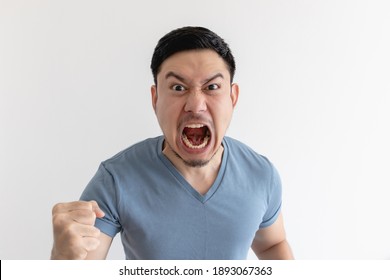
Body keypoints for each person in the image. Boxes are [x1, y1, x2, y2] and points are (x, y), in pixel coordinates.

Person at [51, 26, 294, 260]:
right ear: (155, 99)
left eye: (212, 87)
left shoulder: (262, 175)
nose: (196, 105)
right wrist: (63, 258)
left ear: (233, 97)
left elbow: (273, 244)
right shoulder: (115, 180)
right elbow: (83, 260)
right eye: (178, 87)